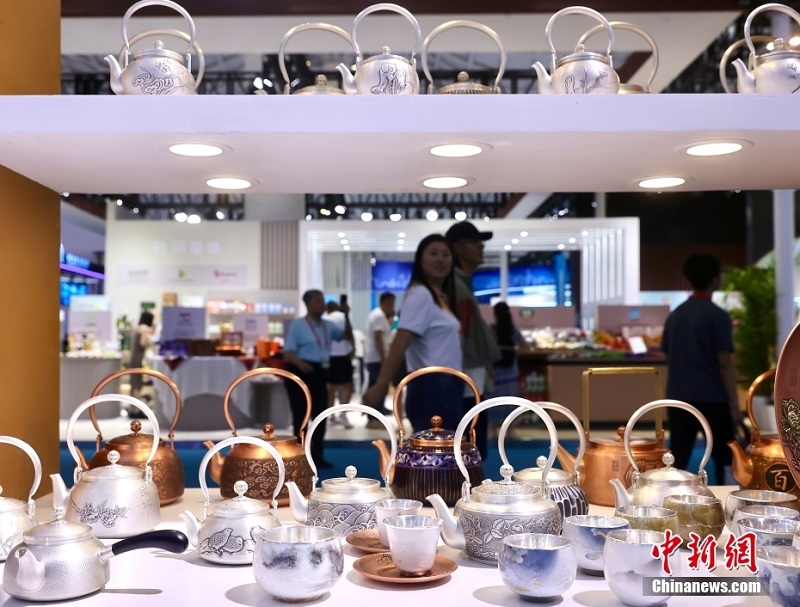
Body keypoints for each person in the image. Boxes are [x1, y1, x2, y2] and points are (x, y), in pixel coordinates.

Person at [362, 234, 464, 432]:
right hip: (432, 386)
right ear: (420, 259)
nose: (440, 259)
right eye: (433, 253)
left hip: (446, 384)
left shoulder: (439, 296)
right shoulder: (420, 294)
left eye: (446, 254)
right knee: (437, 449)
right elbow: (401, 341)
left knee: (447, 448)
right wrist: (381, 385)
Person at [661, 253, 742, 486]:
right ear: (715, 279)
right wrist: (734, 405)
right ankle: (728, 497)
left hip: (679, 398)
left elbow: (667, 354)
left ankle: (669, 497)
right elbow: (725, 362)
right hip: (713, 398)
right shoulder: (718, 316)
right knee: (725, 457)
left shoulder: (675, 316)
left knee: (678, 457)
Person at [445, 221, 502, 458]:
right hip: (464, 378)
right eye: (475, 241)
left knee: (470, 449)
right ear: (458, 247)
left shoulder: (460, 283)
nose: (481, 246)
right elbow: (461, 333)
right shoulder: (455, 284)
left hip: (468, 375)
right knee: (470, 450)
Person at [283, 289, 352, 468]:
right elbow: (288, 352)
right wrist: (301, 364)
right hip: (301, 372)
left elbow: (346, 336)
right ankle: (298, 457)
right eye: (317, 301)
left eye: (322, 300)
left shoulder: (329, 326)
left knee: (321, 415)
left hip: (321, 371)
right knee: (301, 416)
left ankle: (318, 456)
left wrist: (347, 316)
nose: (322, 304)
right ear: (308, 304)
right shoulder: (298, 325)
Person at [364, 292, 396, 419]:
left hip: (375, 357)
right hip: (377, 358)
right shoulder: (378, 316)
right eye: (391, 303)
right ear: (385, 302)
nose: (392, 306)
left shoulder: (378, 315)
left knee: (375, 384)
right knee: (378, 386)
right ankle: (374, 415)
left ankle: (376, 412)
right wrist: (383, 358)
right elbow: (378, 338)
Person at [322, 300, 354, 429]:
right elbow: (349, 334)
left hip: (330, 356)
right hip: (344, 355)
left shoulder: (325, 319)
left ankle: (331, 416)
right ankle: (343, 414)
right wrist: (353, 348)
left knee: (331, 388)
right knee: (347, 385)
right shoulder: (344, 316)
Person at [127, 310, 155, 418]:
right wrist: (152, 343)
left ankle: (132, 408)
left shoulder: (138, 327)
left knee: (133, 384)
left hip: (133, 359)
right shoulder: (144, 328)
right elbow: (142, 343)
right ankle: (137, 410)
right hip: (138, 359)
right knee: (137, 386)